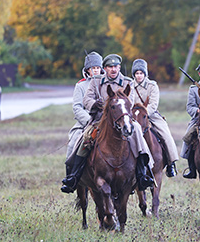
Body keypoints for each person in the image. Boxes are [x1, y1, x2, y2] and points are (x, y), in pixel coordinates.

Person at [61, 54, 154, 193]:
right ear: (105, 69)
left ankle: (142, 173)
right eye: (110, 67)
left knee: (137, 131)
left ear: (119, 67)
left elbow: (131, 100)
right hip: (99, 120)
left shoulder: (128, 82)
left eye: (116, 66)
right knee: (84, 138)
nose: (113, 69)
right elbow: (86, 99)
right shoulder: (96, 82)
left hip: (123, 119)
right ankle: (74, 175)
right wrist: (94, 104)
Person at [60, 52, 103, 193]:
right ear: (87, 70)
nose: (96, 70)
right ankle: (71, 178)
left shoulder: (106, 83)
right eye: (93, 67)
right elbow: (77, 107)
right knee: (73, 144)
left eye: (98, 67)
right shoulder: (81, 86)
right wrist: (88, 120)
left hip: (104, 122)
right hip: (85, 123)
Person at [130, 58, 178, 177]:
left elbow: (153, 103)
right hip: (134, 115)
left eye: (141, 73)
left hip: (150, 114)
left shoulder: (152, 86)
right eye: (137, 73)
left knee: (165, 134)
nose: (139, 76)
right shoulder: (130, 86)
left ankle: (171, 163)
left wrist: (145, 114)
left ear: (145, 74)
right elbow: (129, 102)